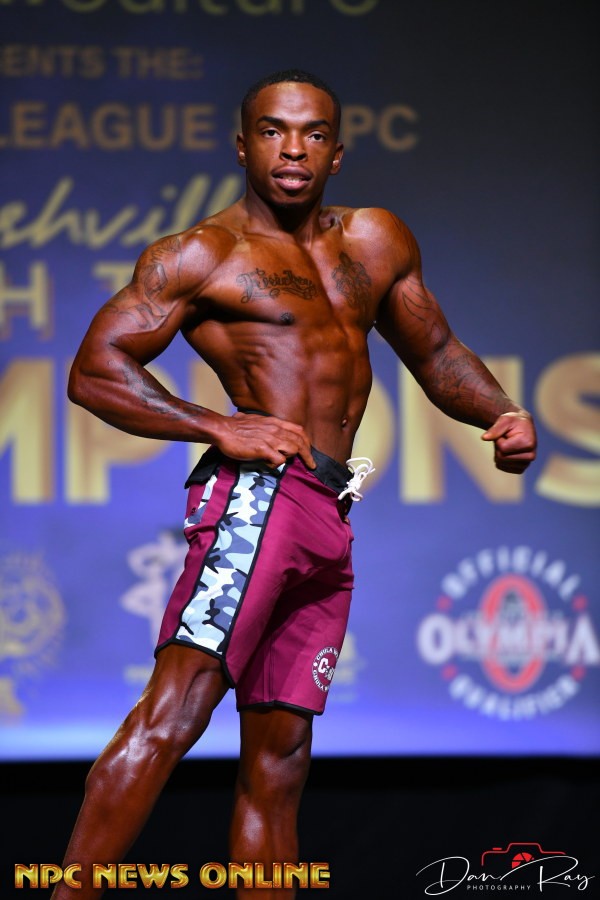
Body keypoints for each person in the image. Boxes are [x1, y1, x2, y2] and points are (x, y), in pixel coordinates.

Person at [54, 69, 537, 898]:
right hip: (257, 499)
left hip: (328, 510)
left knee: (281, 755)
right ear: (242, 145)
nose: (293, 149)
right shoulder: (203, 254)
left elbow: (435, 351)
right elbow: (95, 371)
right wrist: (217, 424)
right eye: (274, 131)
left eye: (313, 134)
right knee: (177, 711)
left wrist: (502, 411)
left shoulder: (377, 240)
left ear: (336, 154)